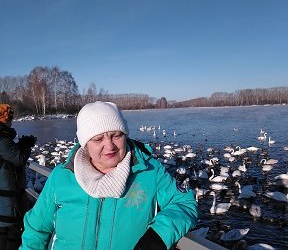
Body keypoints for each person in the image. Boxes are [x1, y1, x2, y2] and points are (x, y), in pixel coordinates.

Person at [20, 101, 198, 250]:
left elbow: (184, 203)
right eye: (98, 139)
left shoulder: (150, 171)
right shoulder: (62, 177)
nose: (110, 146)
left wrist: (158, 236)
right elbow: (36, 230)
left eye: (117, 135)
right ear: (85, 144)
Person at [0, 104, 37, 250]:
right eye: (10, 116)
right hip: (6, 208)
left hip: (7, 202)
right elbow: (18, 158)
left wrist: (21, 144)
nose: (12, 119)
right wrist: (26, 145)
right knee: (9, 239)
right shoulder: (2, 140)